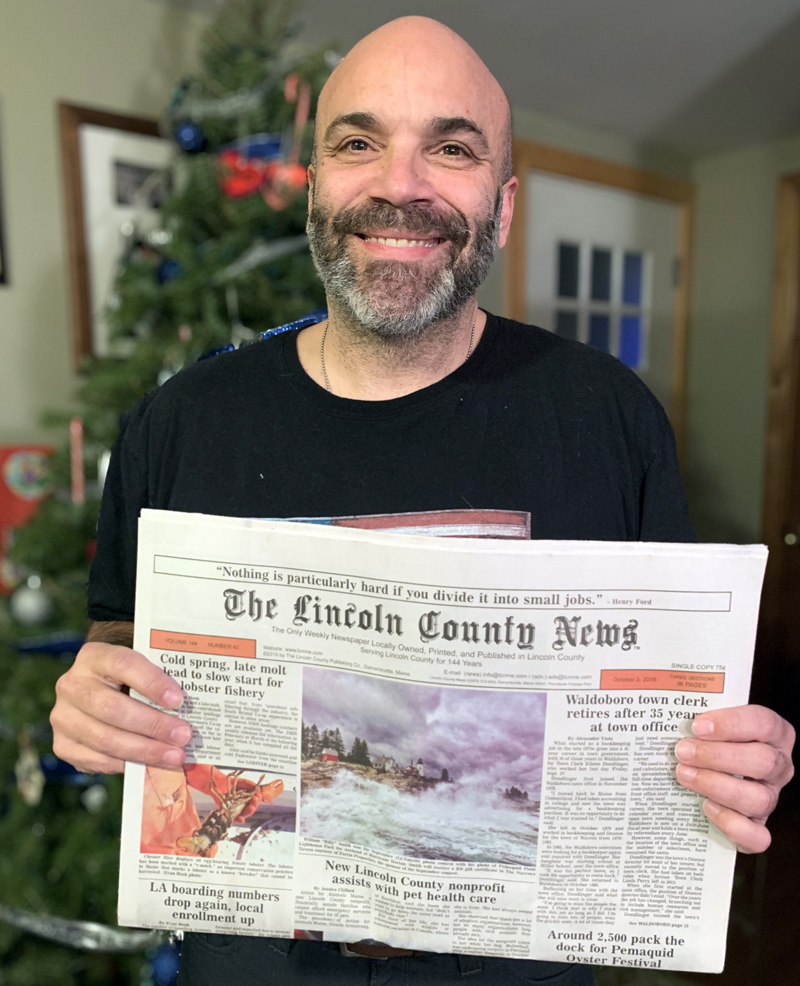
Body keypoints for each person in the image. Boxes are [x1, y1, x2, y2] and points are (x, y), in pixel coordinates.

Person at [51, 16, 794, 986]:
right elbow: (119, 644)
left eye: (450, 147)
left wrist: (735, 760)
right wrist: (96, 702)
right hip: (250, 955)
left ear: (503, 199)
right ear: (312, 182)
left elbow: (674, 718)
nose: (399, 183)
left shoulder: (608, 415)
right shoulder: (178, 422)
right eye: (357, 141)